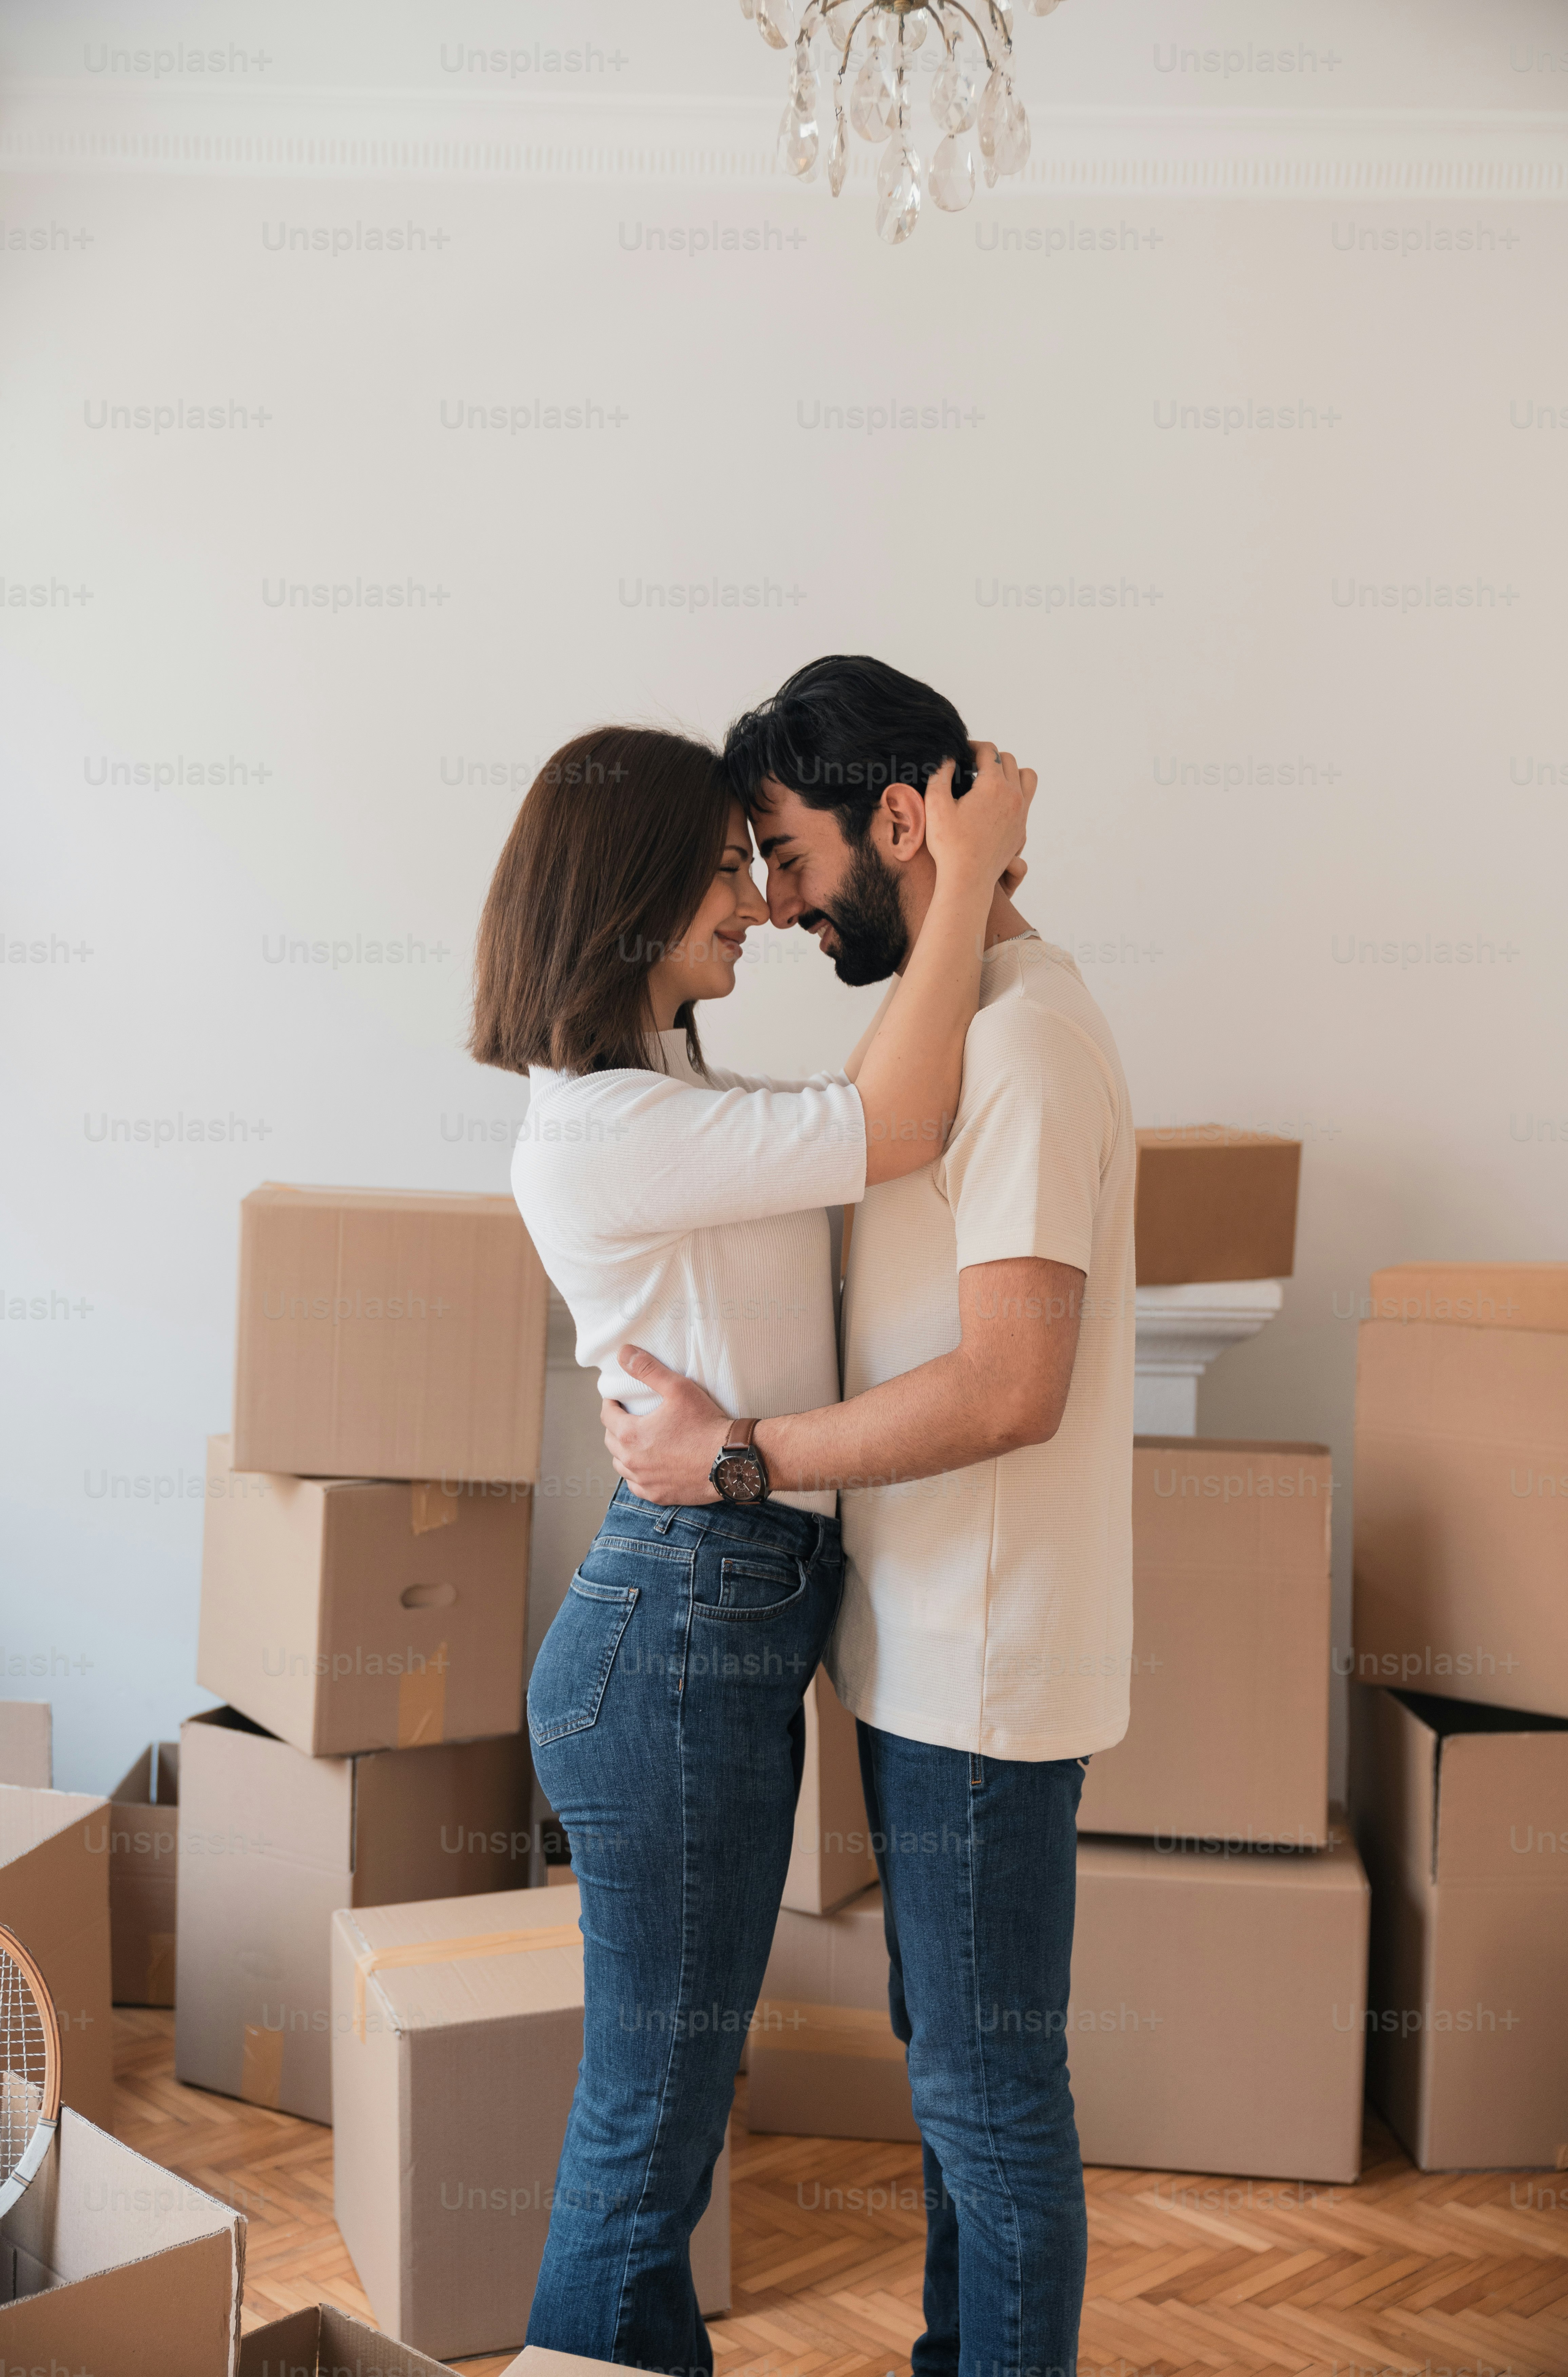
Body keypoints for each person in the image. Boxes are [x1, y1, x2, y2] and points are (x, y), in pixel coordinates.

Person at [469, 717, 1032, 2377]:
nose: (760, 906)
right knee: (651, 2129)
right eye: (729, 869)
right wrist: (976, 856)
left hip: (704, 1622)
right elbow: (894, 1127)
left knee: (664, 2110)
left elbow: (862, 1127)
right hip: (675, 1642)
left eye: (756, 865)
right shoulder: (602, 1127)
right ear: (631, 887)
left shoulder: (665, 1092)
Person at [602, 655, 1138, 2377]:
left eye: (783, 853)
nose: (771, 904)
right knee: (961, 2077)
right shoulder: (953, 1025)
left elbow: (1008, 1387)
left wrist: (737, 1457)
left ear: (896, 823)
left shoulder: (1028, 1044)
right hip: (928, 1657)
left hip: (982, 1672)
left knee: (987, 2100)